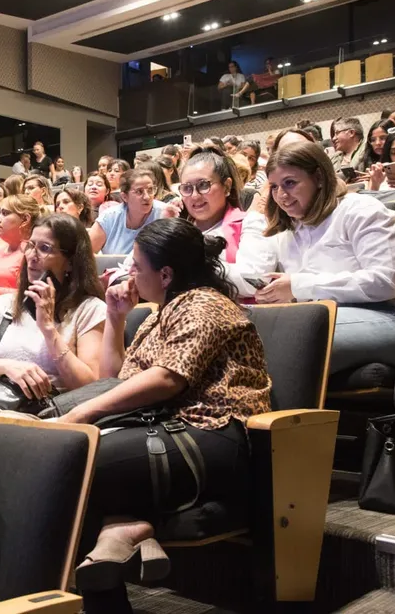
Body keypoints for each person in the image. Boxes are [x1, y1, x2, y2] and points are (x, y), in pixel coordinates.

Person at [58, 218, 271, 614]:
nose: (130, 274)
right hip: (167, 429)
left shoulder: (205, 304)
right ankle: (125, 531)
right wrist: (116, 318)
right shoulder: (158, 314)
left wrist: (81, 412)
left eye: (137, 266)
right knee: (69, 456)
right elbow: (114, 381)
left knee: (72, 461)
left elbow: (168, 379)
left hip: (218, 436)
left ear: (167, 273)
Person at [236, 141, 395, 374]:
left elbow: (387, 281)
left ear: (319, 178)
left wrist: (298, 286)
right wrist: (277, 294)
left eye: (289, 183)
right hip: (313, 317)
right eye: (275, 187)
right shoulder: (287, 229)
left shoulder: (361, 210)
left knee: (288, 336)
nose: (281, 195)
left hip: (386, 313)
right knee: (241, 333)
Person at [0, 214, 106, 397]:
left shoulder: (90, 309)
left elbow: (89, 386)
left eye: (44, 248)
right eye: (31, 246)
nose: (32, 256)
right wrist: (8, 366)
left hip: (46, 409)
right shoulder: (8, 304)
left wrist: (49, 330)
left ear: (70, 263)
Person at [89, 168, 170, 255]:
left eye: (150, 190)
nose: (147, 197)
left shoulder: (165, 213)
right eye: (139, 191)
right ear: (124, 197)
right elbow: (86, 255)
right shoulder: (109, 217)